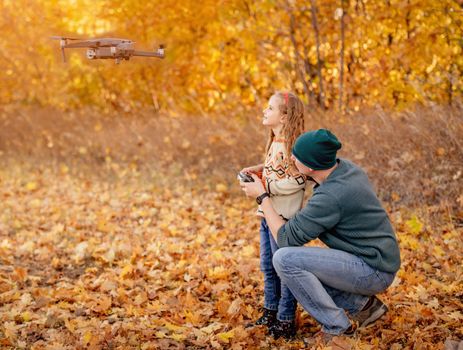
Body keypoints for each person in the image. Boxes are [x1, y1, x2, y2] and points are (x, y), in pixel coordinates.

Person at [241, 129, 400, 345]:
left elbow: (286, 239)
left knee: (285, 259)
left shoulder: (332, 196)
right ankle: (364, 307)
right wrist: (264, 170)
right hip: (375, 261)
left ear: (311, 166)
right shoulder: (344, 170)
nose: (291, 158)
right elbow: (306, 175)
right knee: (304, 265)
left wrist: (262, 197)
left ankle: (337, 327)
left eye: (296, 156)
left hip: (372, 270)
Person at [240, 92, 307, 339]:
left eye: (270, 108)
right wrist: (258, 170)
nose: (264, 111)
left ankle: (285, 319)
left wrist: (265, 189)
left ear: (285, 115)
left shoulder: (293, 146)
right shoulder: (276, 142)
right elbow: (275, 171)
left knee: (284, 269)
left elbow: (298, 180)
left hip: (284, 219)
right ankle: (270, 310)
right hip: (267, 216)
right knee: (268, 266)